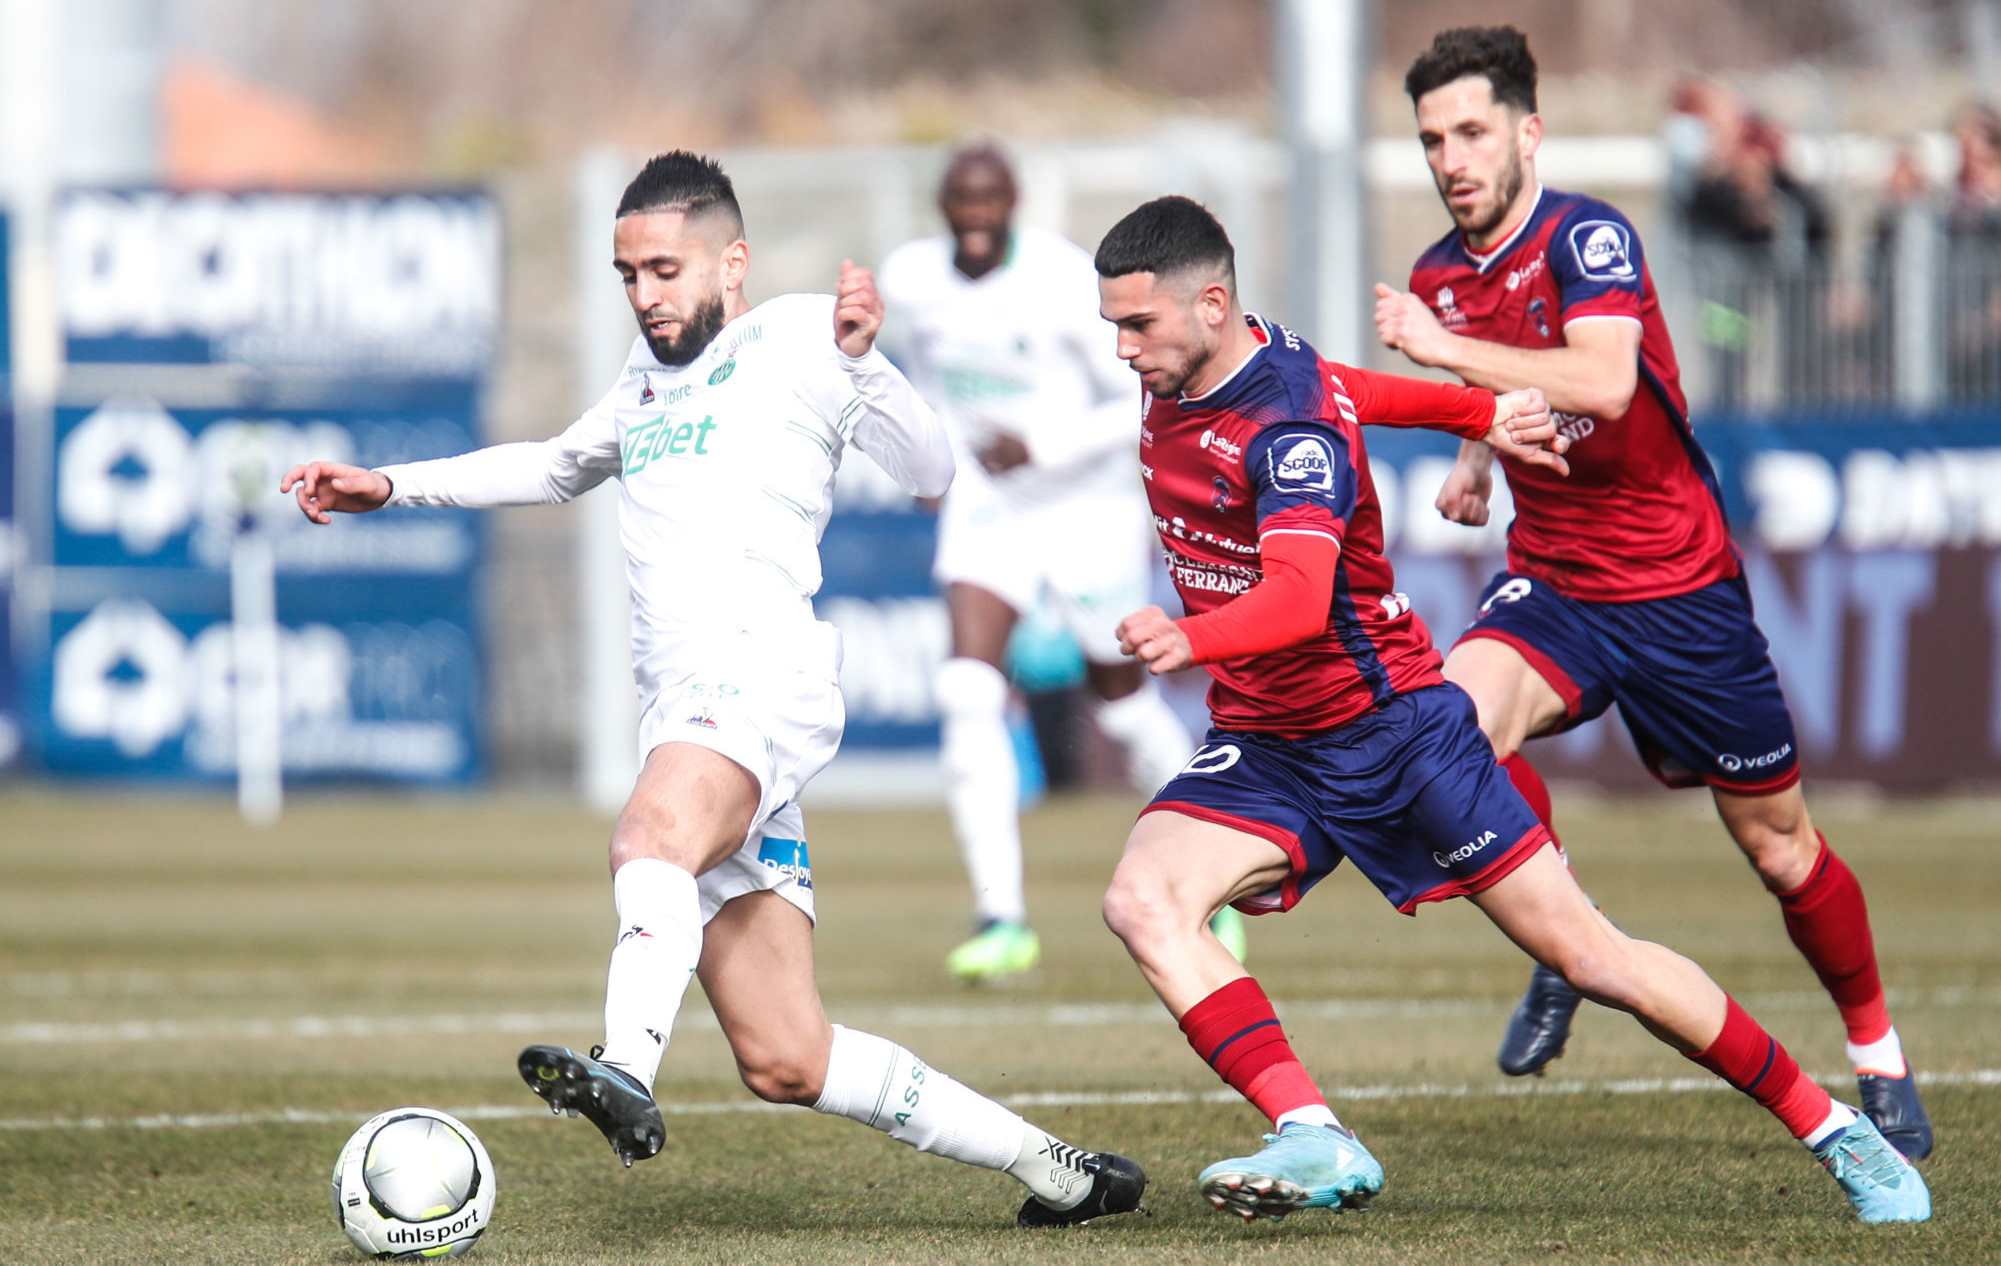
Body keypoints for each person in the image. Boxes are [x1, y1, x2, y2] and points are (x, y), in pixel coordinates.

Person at [279, 151, 1146, 1229]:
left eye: (665, 268)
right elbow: (553, 465)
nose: (645, 294)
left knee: (647, 833)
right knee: (789, 1055)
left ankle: (626, 1062)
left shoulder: (792, 337)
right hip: (696, 716)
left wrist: (870, 366)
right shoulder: (642, 385)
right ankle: (1054, 1165)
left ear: (730, 262)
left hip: (760, 684)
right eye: (627, 272)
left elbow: (931, 470)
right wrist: (390, 486)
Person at [1093, 193, 1929, 1225]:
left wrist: (1193, 637)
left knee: (1595, 958)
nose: (1124, 349)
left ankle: (1833, 1126)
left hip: (1397, 734)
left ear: (1212, 304)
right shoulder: (1230, 369)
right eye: (1114, 327)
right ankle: (1315, 1131)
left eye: (1139, 325)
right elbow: (1360, 389)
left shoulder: (1285, 430)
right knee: (1141, 898)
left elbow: (1300, 598)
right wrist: (1475, 411)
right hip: (1271, 747)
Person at [1372, 26, 1933, 1161]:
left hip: (1679, 590)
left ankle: (1877, 1050)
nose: (1451, 157)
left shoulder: (1587, 234)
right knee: (1443, 732)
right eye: (1434, 138)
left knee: (1781, 849)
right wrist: (1478, 457)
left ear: (1529, 132)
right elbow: (1500, 398)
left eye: (1473, 130)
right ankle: (1563, 928)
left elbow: (1604, 378)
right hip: (1557, 582)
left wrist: (1443, 355)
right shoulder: (1441, 272)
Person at [879, 143, 1238, 981]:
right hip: (988, 505)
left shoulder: (1062, 279)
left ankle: (1216, 874)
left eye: (987, 199)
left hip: (1085, 508)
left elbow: (1136, 396)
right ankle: (1000, 916)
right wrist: (929, 462)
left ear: (1012, 201)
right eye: (958, 201)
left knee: (1118, 692)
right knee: (966, 689)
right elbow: (929, 380)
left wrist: (1038, 444)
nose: (972, 216)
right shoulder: (913, 279)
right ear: (942, 206)